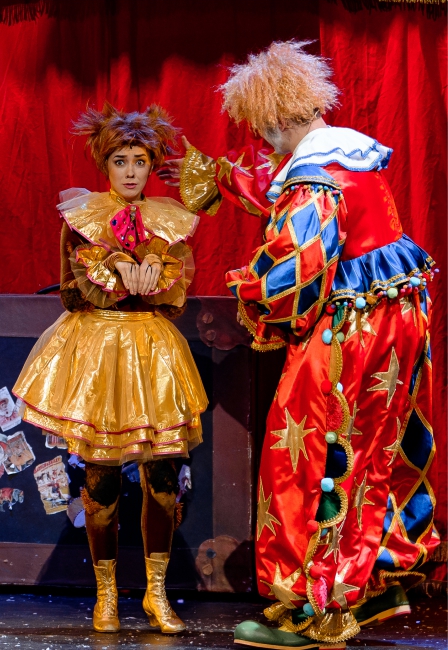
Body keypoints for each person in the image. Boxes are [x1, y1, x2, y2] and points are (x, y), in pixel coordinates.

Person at [158, 41, 439, 649]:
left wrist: (248, 289)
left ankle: (316, 606)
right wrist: (219, 176)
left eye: (261, 127)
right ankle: (371, 579)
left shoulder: (313, 179)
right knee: (373, 448)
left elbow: (296, 270)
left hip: (348, 333)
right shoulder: (347, 154)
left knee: (310, 457)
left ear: (276, 117)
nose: (261, 140)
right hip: (394, 321)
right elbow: (275, 186)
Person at [13, 103, 208, 634]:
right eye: (121, 160)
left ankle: (155, 594)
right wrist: (113, 266)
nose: (130, 171)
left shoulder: (168, 220)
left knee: (163, 477)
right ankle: (106, 596)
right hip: (98, 352)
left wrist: (158, 268)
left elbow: (173, 300)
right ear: (105, 164)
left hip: (153, 353)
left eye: (140, 161)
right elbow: (71, 294)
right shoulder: (82, 218)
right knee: (100, 480)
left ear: (151, 166)